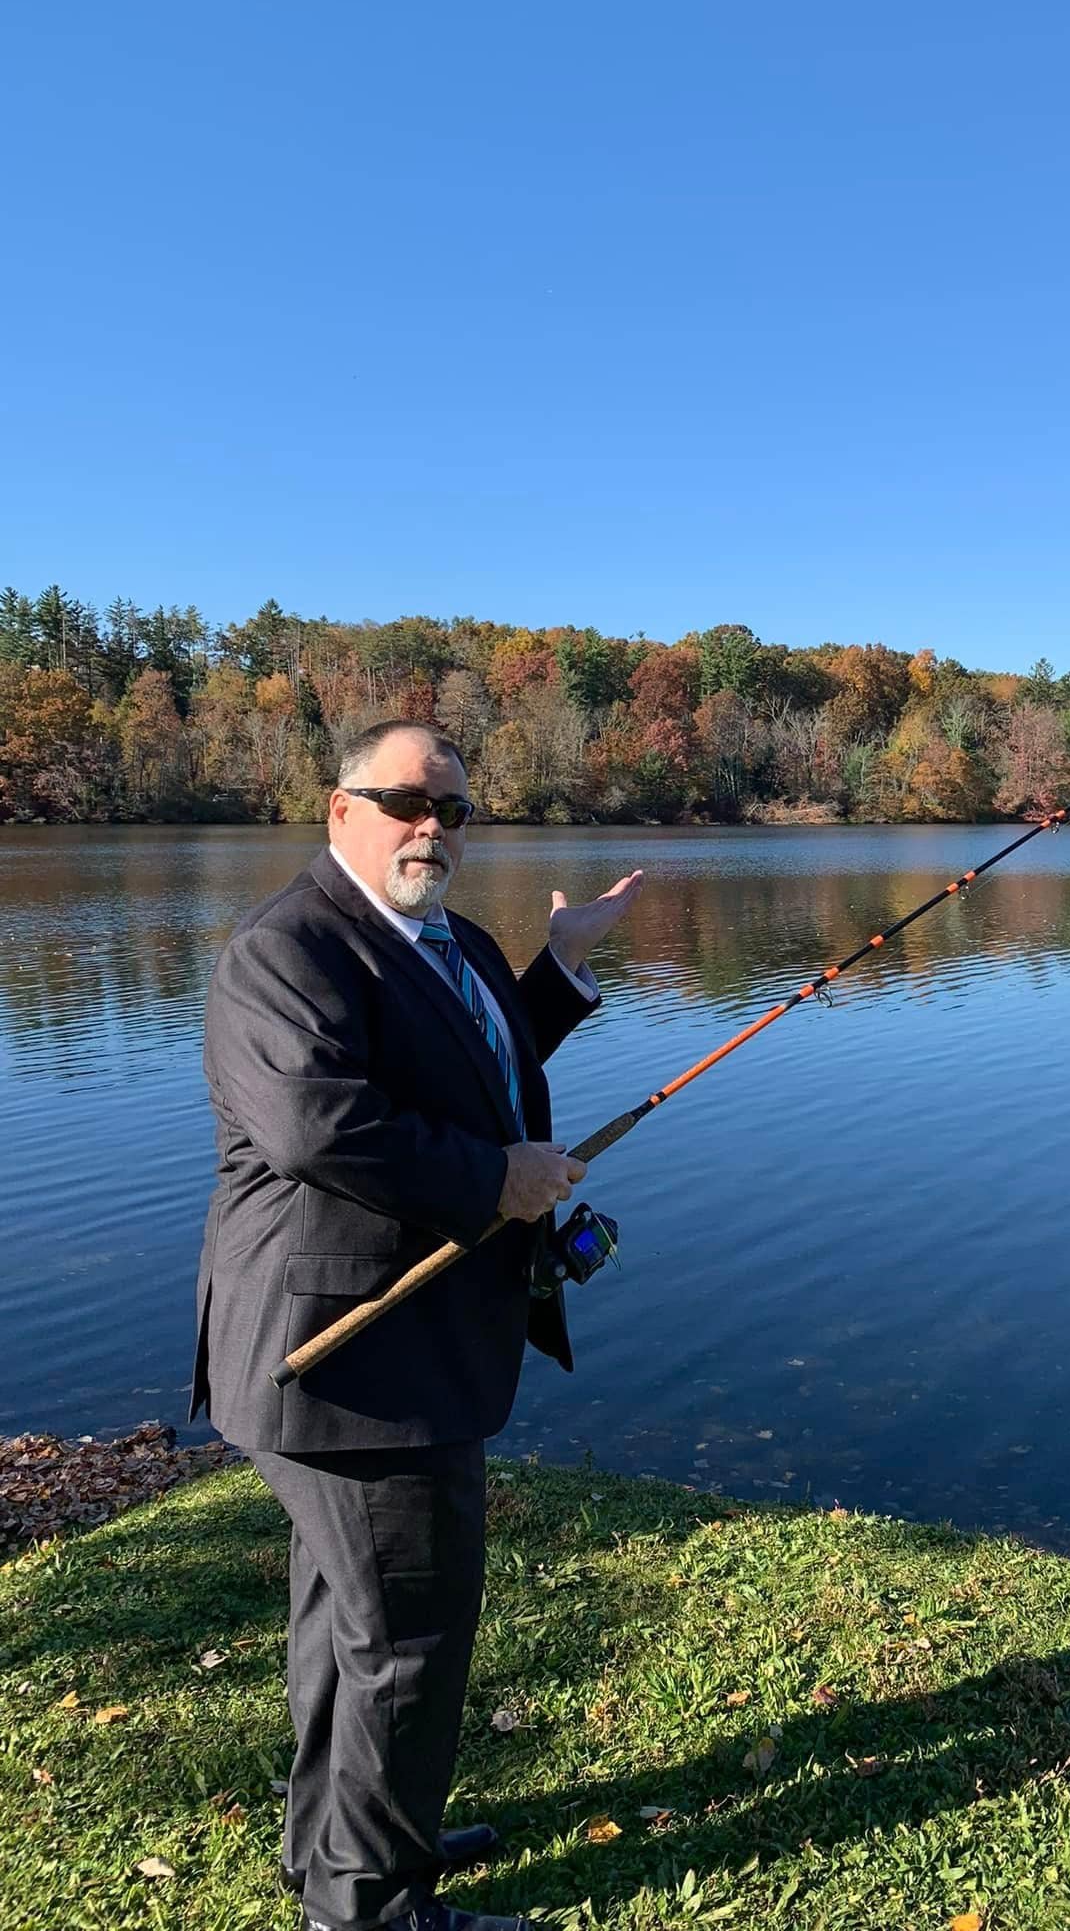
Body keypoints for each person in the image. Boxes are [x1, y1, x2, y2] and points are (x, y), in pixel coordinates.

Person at [190, 719, 643, 1931]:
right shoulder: (285, 950)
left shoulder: (456, 942)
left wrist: (558, 966)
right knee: (409, 1628)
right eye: (405, 801)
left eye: (453, 809)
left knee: (349, 1618)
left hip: (400, 1348)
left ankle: (334, 1843)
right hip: (344, 1358)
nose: (432, 826)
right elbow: (320, 1125)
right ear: (339, 809)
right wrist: (499, 1178)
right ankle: (375, 1904)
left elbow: (473, 1063)